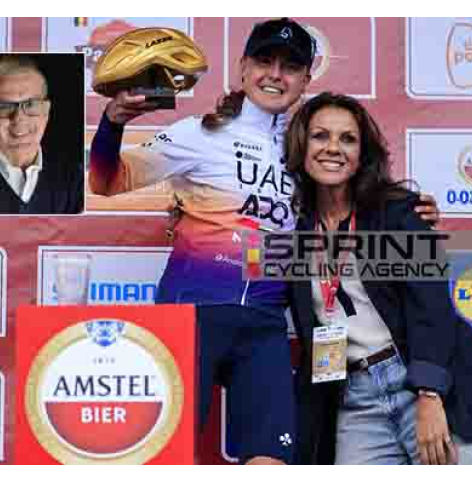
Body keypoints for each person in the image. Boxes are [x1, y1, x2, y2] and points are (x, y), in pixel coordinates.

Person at [91, 19, 440, 465]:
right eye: (264, 61)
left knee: (271, 457)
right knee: (164, 453)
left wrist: (412, 209)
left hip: (265, 325)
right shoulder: (199, 133)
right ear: (243, 67)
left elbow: (353, 208)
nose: (275, 74)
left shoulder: (305, 153)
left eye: (290, 67)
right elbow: (106, 181)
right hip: (190, 316)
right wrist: (112, 123)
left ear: (305, 80)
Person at [286, 92, 472, 466]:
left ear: (362, 155)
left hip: (426, 382)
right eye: (320, 136)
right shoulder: (294, 232)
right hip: (355, 399)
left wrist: (430, 393)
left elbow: (432, 307)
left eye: (347, 139)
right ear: (301, 145)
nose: (333, 148)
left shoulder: (397, 213)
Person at [0, 55, 84, 215]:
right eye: (4, 106)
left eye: (30, 104)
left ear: (46, 111)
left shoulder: (78, 179)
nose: (19, 119)